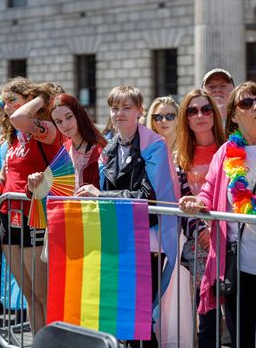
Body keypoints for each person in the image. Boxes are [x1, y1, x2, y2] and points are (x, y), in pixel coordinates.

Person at [179, 81, 256, 348]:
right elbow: (209, 192)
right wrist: (196, 203)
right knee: (245, 339)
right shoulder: (225, 153)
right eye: (246, 103)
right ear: (234, 115)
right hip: (239, 265)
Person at [75, 85, 179, 348]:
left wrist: (100, 196)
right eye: (114, 107)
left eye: (126, 108)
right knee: (122, 320)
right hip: (118, 240)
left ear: (140, 111)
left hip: (150, 242)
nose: (119, 113)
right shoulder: (109, 148)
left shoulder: (155, 144)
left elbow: (148, 195)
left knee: (140, 321)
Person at [0, 77, 62, 334]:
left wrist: (42, 98)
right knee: (28, 292)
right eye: (3, 102)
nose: (6, 107)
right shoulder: (13, 137)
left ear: (30, 101)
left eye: (12, 100)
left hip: (35, 217)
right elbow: (4, 175)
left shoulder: (45, 129)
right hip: (9, 216)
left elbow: (19, 118)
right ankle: (38, 341)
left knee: (43, 293)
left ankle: (53, 341)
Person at [174, 89, 224, 347]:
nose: (200, 115)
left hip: (230, 240)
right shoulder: (179, 157)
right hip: (199, 245)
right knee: (207, 316)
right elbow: (178, 201)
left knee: (241, 314)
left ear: (214, 115)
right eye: (193, 110)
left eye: (206, 109)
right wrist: (201, 232)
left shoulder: (231, 147)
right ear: (186, 118)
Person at [27, 93, 107, 192]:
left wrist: (97, 194)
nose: (65, 125)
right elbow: (53, 188)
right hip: (69, 206)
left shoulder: (100, 151)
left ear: (78, 115)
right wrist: (33, 187)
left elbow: (109, 192)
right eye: (58, 121)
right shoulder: (65, 148)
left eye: (69, 117)